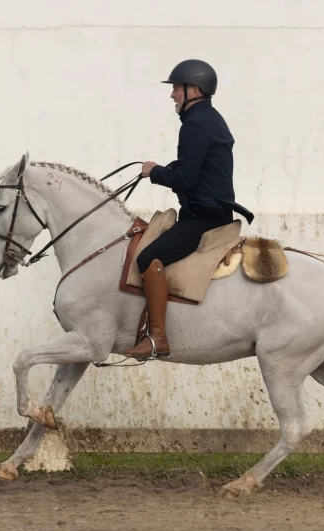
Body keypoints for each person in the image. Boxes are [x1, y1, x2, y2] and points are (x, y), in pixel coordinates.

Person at [124, 59, 254, 360]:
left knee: (148, 256)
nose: (172, 95)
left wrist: (155, 172)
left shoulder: (195, 125)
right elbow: (193, 169)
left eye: (176, 89)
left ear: (193, 90)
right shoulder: (210, 119)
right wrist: (162, 169)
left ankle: (157, 337)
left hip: (202, 220)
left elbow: (186, 179)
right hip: (211, 212)